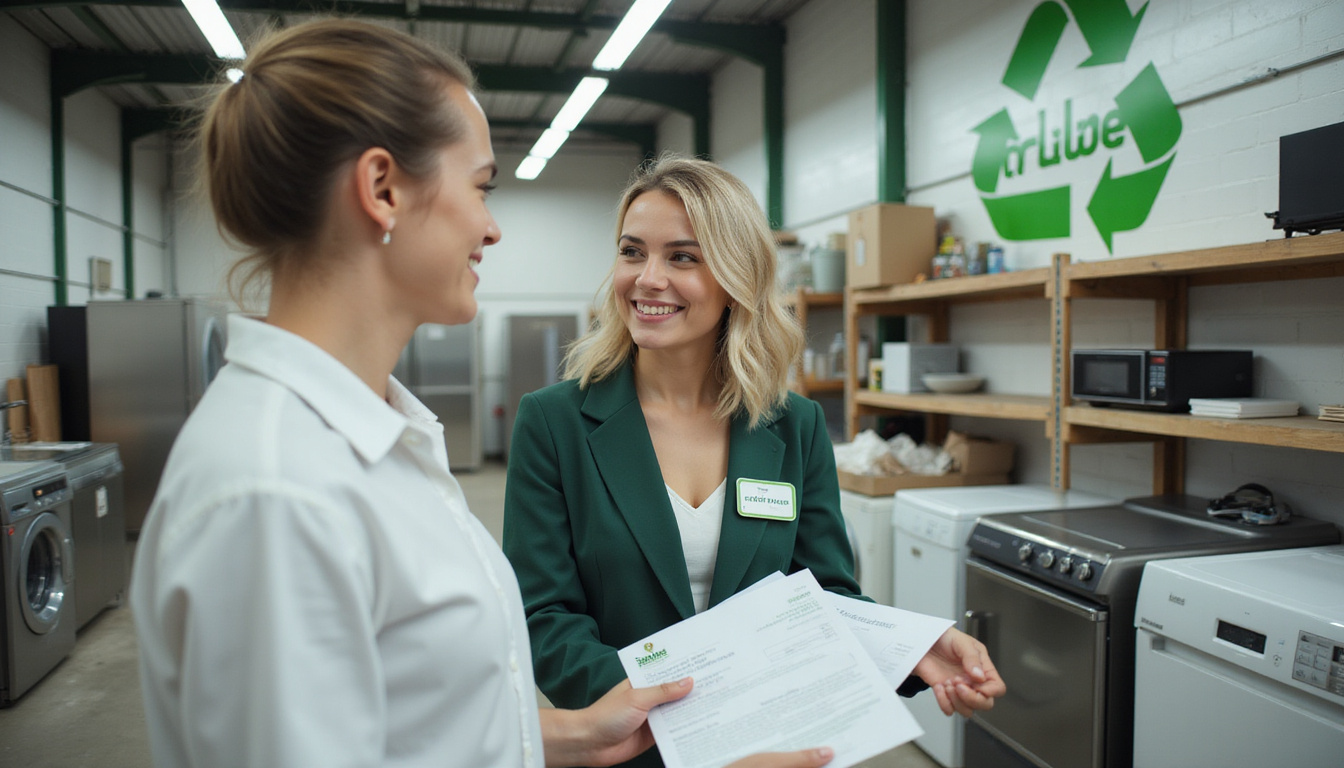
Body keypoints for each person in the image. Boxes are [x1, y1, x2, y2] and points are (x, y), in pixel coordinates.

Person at [129, 20, 833, 768]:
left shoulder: (381, 439)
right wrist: (701, 738)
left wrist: (564, 736)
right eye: (480, 186)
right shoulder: (273, 490)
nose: (493, 228)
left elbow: (419, 727)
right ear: (382, 189)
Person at [503, 155, 1007, 766]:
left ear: (735, 277)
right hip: (628, 747)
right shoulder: (555, 421)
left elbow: (822, 594)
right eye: (632, 252)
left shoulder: (793, 425)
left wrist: (911, 647)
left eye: (682, 257)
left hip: (771, 746)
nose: (647, 278)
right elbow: (544, 616)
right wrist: (681, 717)